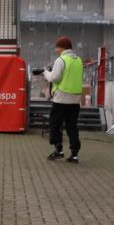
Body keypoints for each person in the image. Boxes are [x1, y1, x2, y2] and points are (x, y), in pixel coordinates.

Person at [37, 35, 82, 163]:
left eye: (57, 47)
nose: (56, 49)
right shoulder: (78, 60)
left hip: (61, 99)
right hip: (75, 100)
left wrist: (45, 72)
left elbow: (54, 78)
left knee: (55, 125)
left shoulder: (61, 60)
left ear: (62, 47)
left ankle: (59, 150)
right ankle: (74, 154)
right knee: (72, 126)